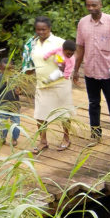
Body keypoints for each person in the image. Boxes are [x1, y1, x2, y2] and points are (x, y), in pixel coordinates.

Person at [73, 0, 110, 145]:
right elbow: (80, 47)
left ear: (100, 5)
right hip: (90, 70)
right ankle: (95, 134)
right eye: (88, 5)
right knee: (93, 103)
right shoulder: (82, 23)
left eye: (94, 5)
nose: (91, 8)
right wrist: (76, 70)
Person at [22, 15, 75, 154]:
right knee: (40, 113)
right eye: (38, 30)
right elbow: (30, 62)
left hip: (59, 83)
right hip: (42, 83)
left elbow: (69, 60)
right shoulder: (32, 44)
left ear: (49, 29)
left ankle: (66, 138)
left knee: (63, 112)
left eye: (43, 30)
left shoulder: (59, 42)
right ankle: (43, 141)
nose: (40, 32)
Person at [0, 57, 20, 147]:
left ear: (13, 69)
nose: (7, 72)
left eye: (9, 69)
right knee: (2, 122)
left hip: (14, 104)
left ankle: (14, 138)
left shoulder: (16, 77)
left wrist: (19, 91)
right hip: (2, 104)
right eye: (5, 70)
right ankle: (2, 138)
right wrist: (4, 83)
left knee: (15, 123)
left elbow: (20, 90)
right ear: (1, 69)